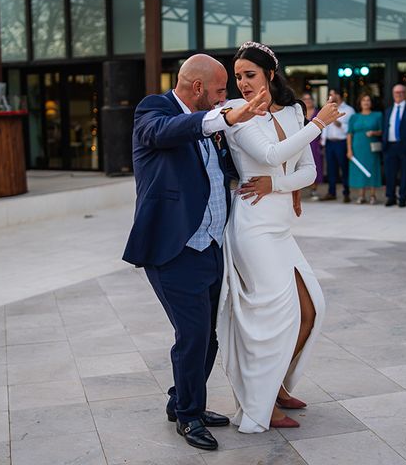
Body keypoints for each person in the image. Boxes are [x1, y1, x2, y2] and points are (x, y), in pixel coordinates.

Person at [122, 54, 269, 451]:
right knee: (193, 334)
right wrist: (224, 119)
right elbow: (166, 132)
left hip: (211, 247)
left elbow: (220, 171)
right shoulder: (154, 109)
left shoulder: (214, 120)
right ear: (200, 88)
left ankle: (182, 402)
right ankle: (189, 416)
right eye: (221, 89)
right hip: (173, 248)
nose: (227, 96)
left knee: (209, 339)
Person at [217, 41, 343, 433]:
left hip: (280, 225)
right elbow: (271, 153)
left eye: (249, 75)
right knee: (276, 320)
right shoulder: (234, 116)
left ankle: (278, 384)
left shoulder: (292, 112)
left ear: (270, 74)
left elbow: (309, 171)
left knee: (311, 308)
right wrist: (318, 125)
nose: (243, 83)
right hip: (252, 229)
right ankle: (261, 404)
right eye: (237, 77)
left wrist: (277, 185)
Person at [346, 93, 383, 204]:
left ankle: (372, 195)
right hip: (357, 147)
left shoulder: (378, 115)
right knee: (359, 170)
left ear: (371, 103)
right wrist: (349, 150)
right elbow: (349, 134)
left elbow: (382, 131)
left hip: (371, 147)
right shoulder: (354, 117)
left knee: (372, 169)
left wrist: (374, 132)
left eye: (368, 100)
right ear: (360, 103)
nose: (366, 102)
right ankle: (361, 195)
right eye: (363, 100)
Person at [320, 88, 355, 202]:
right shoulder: (328, 108)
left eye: (333, 94)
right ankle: (331, 192)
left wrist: (339, 124)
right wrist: (323, 141)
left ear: (339, 95)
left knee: (344, 168)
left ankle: (346, 193)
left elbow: (350, 129)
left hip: (342, 142)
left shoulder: (349, 110)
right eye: (330, 94)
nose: (331, 96)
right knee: (331, 169)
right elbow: (325, 125)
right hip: (330, 143)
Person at [300, 92, 324, 200]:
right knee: (299, 166)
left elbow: (325, 127)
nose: (308, 101)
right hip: (301, 142)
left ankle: (314, 190)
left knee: (315, 164)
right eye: (305, 99)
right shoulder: (299, 113)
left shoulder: (318, 113)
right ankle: (298, 191)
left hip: (315, 142)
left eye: (309, 98)